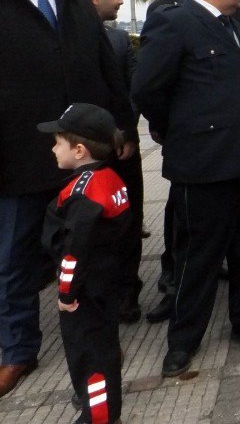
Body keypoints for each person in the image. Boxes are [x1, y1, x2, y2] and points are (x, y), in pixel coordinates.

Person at [0, 0, 135, 399]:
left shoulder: (76, 3)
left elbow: (107, 70)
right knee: (14, 260)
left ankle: (98, 344)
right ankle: (16, 350)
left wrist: (121, 125)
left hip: (84, 161)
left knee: (92, 257)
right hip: (16, 162)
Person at [132, 0, 240, 377]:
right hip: (205, 163)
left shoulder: (236, 25)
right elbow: (146, 89)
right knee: (198, 256)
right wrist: (176, 128)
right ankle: (183, 340)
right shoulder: (176, 22)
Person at [39, 104, 131, 424]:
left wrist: (66, 294)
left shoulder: (84, 191)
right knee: (103, 352)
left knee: (89, 360)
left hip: (84, 294)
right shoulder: (111, 179)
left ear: (79, 151)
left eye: (58, 142)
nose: (53, 149)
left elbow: (74, 250)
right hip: (105, 284)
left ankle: (100, 417)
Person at [71, 0, 145, 323]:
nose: (120, 0)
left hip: (122, 151)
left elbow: (133, 90)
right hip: (79, 157)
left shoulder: (118, 41)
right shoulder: (63, 39)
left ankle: (127, 293)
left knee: (129, 222)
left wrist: (125, 132)